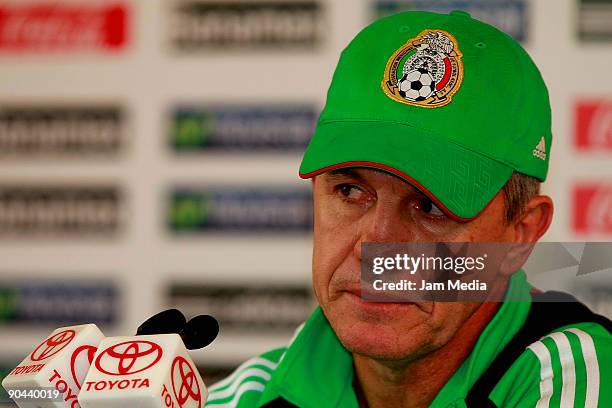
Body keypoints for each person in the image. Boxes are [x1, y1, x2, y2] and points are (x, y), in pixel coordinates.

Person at [205, 10, 611, 408]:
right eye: (349, 191)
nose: (376, 245)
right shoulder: (246, 396)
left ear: (520, 235)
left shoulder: (576, 380)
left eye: (430, 206)